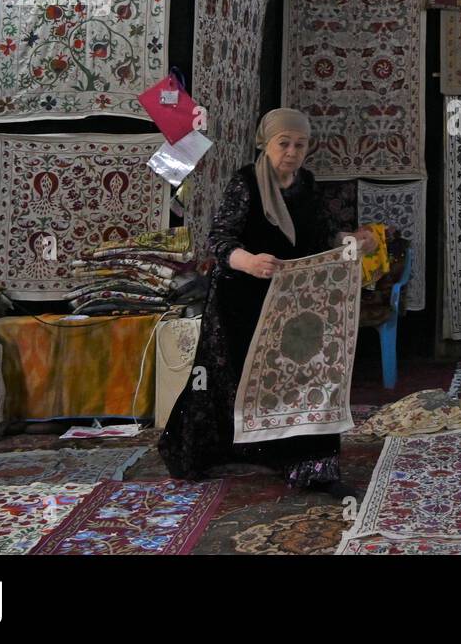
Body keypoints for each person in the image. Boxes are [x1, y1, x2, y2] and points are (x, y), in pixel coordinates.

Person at [158, 107, 373, 486]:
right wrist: (250, 262)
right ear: (266, 144)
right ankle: (244, 450)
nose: (292, 152)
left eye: (300, 144)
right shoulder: (246, 183)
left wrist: (351, 241)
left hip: (293, 304)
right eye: (284, 143)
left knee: (306, 377)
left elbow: (323, 236)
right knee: (238, 382)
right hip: (242, 300)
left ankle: (309, 465)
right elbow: (219, 240)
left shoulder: (306, 184)